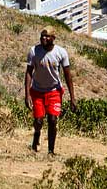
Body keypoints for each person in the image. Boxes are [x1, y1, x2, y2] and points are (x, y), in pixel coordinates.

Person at [25, 27, 76, 158]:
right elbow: (29, 72)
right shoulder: (34, 51)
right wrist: (27, 95)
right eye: (42, 36)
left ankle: (51, 151)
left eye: (47, 36)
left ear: (53, 38)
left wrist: (72, 98)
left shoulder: (61, 53)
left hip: (54, 91)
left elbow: (67, 76)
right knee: (38, 120)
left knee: (52, 120)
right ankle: (36, 136)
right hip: (37, 91)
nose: (43, 38)